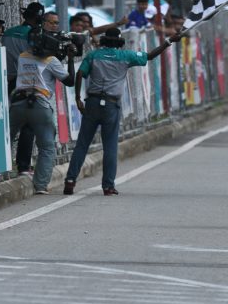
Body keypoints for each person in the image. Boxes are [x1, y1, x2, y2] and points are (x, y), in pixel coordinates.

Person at [63, 23, 184, 196]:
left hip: (92, 102)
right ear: (120, 41)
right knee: (110, 146)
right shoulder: (126, 55)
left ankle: (70, 180)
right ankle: (108, 186)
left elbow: (80, 73)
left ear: (104, 40)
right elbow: (150, 56)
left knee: (82, 143)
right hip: (111, 104)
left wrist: (77, 98)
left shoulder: (93, 55)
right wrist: (168, 41)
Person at [10, 24, 76, 194]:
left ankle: (1, 173)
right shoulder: (51, 61)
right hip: (39, 104)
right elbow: (70, 81)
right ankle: (40, 185)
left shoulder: (23, 56)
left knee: (6, 139)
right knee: (46, 147)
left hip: (18, 103)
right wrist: (69, 58)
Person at [2, 2, 45, 176]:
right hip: (27, 82)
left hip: (8, 81)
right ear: (39, 18)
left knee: (9, 123)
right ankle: (23, 165)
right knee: (28, 124)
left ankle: (3, 162)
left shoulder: (8, 33)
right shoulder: (34, 35)